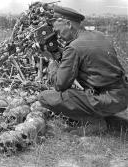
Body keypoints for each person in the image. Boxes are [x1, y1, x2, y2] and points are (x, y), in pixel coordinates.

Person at [38, 5, 128, 136]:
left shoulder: (74, 47)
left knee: (45, 97)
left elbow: (60, 84)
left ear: (68, 24)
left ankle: (94, 122)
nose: (58, 36)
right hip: (122, 96)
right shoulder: (100, 35)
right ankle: (114, 121)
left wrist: (51, 62)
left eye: (58, 32)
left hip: (105, 99)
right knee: (85, 95)